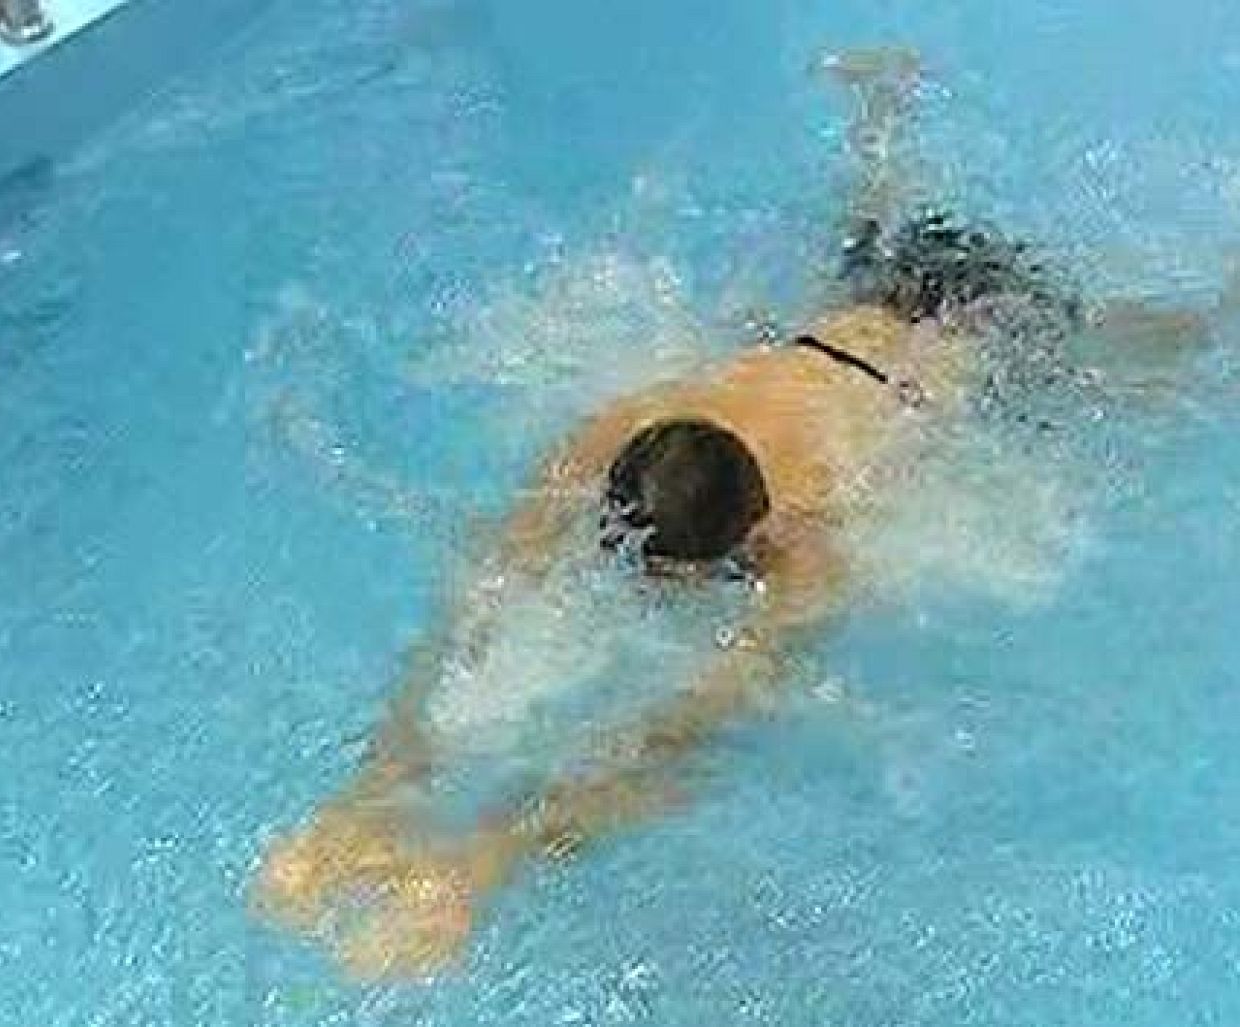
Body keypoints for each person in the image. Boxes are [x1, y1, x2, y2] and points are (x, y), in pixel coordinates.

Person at [252, 49, 1213, 979]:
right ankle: (880, 106)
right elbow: (481, 595)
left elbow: (691, 734)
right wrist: (374, 787)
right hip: (868, 316)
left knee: (1140, 353)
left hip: (976, 319)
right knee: (866, 240)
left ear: (753, 539)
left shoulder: (815, 535)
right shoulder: (611, 436)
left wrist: (493, 855)